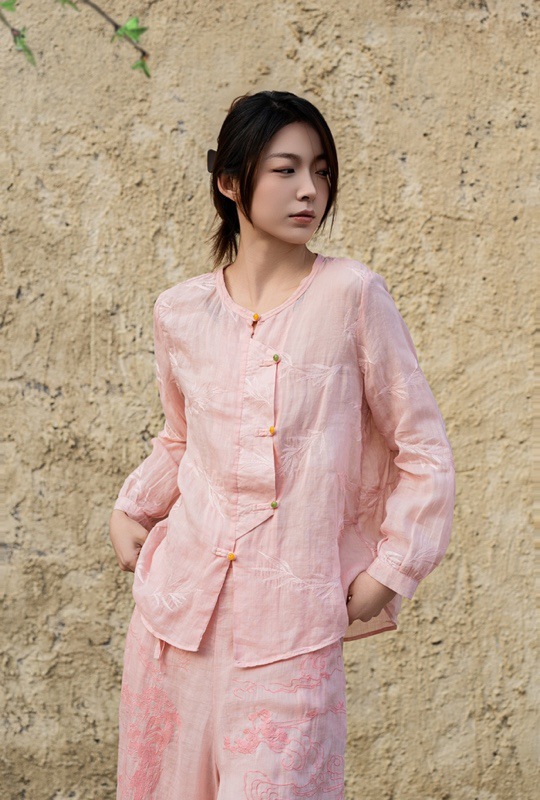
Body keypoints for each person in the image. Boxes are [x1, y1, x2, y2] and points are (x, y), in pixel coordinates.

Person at [109, 90, 455, 800]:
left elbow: (422, 447)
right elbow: (181, 439)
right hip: (174, 622)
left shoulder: (352, 295)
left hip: (291, 631)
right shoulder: (180, 312)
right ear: (230, 182)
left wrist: (393, 569)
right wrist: (131, 508)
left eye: (321, 171)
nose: (309, 190)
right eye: (286, 169)